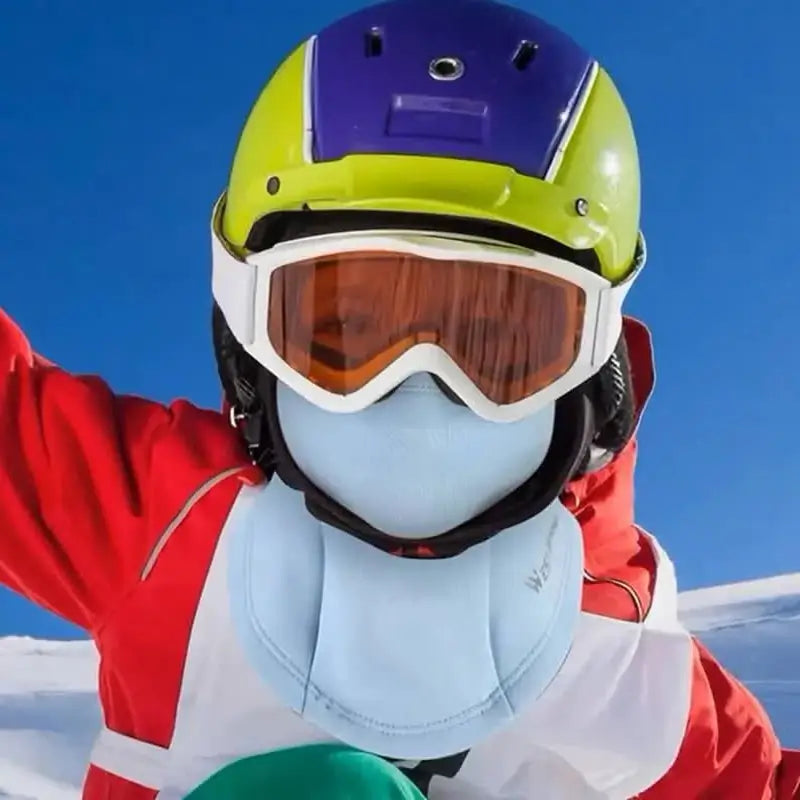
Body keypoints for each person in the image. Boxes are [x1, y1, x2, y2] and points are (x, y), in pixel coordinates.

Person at [1, 0, 798, 797]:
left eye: (501, 343)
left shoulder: (628, 667)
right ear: (249, 345)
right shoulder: (174, 525)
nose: (419, 389)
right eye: (344, 329)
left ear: (593, 367)